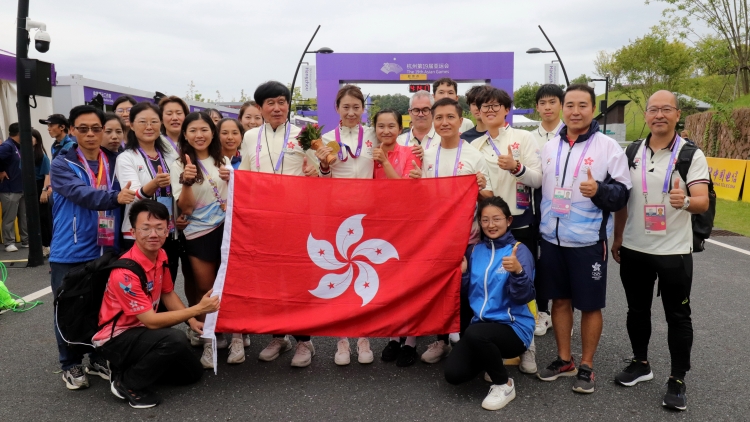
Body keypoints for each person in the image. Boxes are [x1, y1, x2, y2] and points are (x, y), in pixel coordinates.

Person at [611, 90, 710, 411]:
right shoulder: (633, 151)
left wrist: (686, 201)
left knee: (678, 316)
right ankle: (641, 363)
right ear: (647, 115)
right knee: (636, 311)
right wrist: (617, 237)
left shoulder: (690, 154)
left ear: (677, 114)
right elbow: (624, 199)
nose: (659, 115)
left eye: (666, 109)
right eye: (653, 110)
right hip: (634, 247)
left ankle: (678, 379)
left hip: (673, 252)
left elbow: (702, 200)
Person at [536, 84, 631, 394]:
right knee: (560, 301)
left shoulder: (608, 147)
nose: (575, 111)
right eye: (570, 105)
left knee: (590, 305)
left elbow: (621, 195)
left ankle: (587, 365)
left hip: (589, 242)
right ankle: (565, 360)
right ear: (563, 108)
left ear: (593, 110)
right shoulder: (550, 146)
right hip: (552, 239)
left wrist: (599, 191)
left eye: (583, 105)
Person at [94, 199, 220, 409]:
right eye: (146, 228)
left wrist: (192, 320)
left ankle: (134, 366)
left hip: (141, 332)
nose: (153, 234)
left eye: (159, 228)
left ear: (167, 230)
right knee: (174, 339)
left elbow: (168, 294)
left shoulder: (160, 255)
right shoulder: (125, 273)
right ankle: (126, 383)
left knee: (192, 374)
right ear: (133, 232)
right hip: (116, 338)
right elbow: (152, 321)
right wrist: (198, 309)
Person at [50, 105, 136, 390]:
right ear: (72, 130)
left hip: (106, 247)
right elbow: (81, 194)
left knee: (102, 308)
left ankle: (96, 355)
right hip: (70, 250)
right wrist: (115, 197)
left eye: (95, 128)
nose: (90, 134)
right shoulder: (62, 164)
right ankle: (70, 363)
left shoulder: (114, 162)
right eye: (83, 129)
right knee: (68, 309)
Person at [238, 81, 319, 367]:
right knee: (270, 279)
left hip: (296, 219)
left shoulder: (304, 134)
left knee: (298, 279)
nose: (277, 107)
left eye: (282, 101)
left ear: (288, 105)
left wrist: (320, 168)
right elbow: (245, 174)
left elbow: (319, 173)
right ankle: (279, 336)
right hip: (263, 219)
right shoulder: (249, 136)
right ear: (259, 108)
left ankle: (304, 341)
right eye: (270, 102)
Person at [412, 98, 493, 364]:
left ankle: (466, 339)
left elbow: (489, 198)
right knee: (438, 290)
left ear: (461, 121)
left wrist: (481, 188)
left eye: (450, 117)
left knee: (466, 288)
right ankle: (440, 340)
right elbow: (420, 194)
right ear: (433, 123)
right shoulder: (427, 151)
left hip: (466, 237)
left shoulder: (473, 155)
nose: (444, 122)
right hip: (434, 237)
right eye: (439, 118)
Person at [470, 87, 542, 374]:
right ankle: (493, 348)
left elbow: (537, 179)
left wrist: (517, 167)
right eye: (484, 107)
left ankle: (528, 346)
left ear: (506, 109)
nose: (490, 111)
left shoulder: (523, 138)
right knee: (491, 283)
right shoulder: (476, 146)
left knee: (524, 282)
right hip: (488, 225)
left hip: (519, 222)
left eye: (495, 106)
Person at [444, 196, 536, 411]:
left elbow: (524, 297)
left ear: (509, 220)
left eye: (497, 219)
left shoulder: (519, 251)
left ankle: (504, 384)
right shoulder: (476, 251)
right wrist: (464, 275)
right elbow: (467, 295)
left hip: (514, 328)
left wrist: (518, 272)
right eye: (485, 220)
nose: (491, 225)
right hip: (482, 327)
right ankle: (491, 358)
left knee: (476, 334)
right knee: (454, 374)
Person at [314, 84, 378, 366]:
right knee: (340, 275)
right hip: (338, 215)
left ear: (363, 109)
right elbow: (320, 180)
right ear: (337, 109)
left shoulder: (374, 136)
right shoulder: (325, 139)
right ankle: (342, 340)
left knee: (366, 273)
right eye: (346, 107)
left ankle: (363, 337)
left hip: (368, 214)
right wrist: (324, 167)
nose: (351, 112)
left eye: (356, 107)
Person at [169, 111, 237, 368]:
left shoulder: (225, 160)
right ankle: (209, 342)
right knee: (205, 288)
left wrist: (235, 180)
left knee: (228, 284)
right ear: (185, 134)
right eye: (193, 130)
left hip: (227, 230)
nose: (199, 135)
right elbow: (185, 209)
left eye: (204, 129)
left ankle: (232, 334)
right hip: (197, 233)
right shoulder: (179, 164)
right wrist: (186, 181)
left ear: (213, 132)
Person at [114, 102, 178, 280]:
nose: (149, 127)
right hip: (139, 234)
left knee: (166, 287)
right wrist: (155, 184)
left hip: (168, 232)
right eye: (143, 122)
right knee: (141, 286)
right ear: (132, 125)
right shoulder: (126, 157)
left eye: (154, 122)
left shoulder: (171, 155)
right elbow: (132, 197)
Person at [0, 123, 28, 252]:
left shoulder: (18, 146)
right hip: (9, 188)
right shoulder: (7, 146)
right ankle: (9, 242)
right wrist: (1, 170)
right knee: (9, 217)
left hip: (20, 186)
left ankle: (26, 240)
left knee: (24, 215)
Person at [397, 90, 439, 155]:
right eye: (416, 110)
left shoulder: (443, 140)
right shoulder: (399, 141)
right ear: (410, 112)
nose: (420, 114)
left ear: (433, 111)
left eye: (425, 110)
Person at [32, 129, 53, 257]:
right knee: (34, 218)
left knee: (43, 217)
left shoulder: (42, 156)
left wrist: (44, 191)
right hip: (30, 186)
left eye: (31, 137)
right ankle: (40, 245)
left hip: (40, 186)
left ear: (37, 139)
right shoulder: (26, 154)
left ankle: (47, 245)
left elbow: (47, 174)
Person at [530, 84, 565, 150]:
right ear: (537, 107)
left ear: (561, 105)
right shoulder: (529, 138)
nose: (547, 107)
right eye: (542, 103)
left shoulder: (571, 135)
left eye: (552, 102)